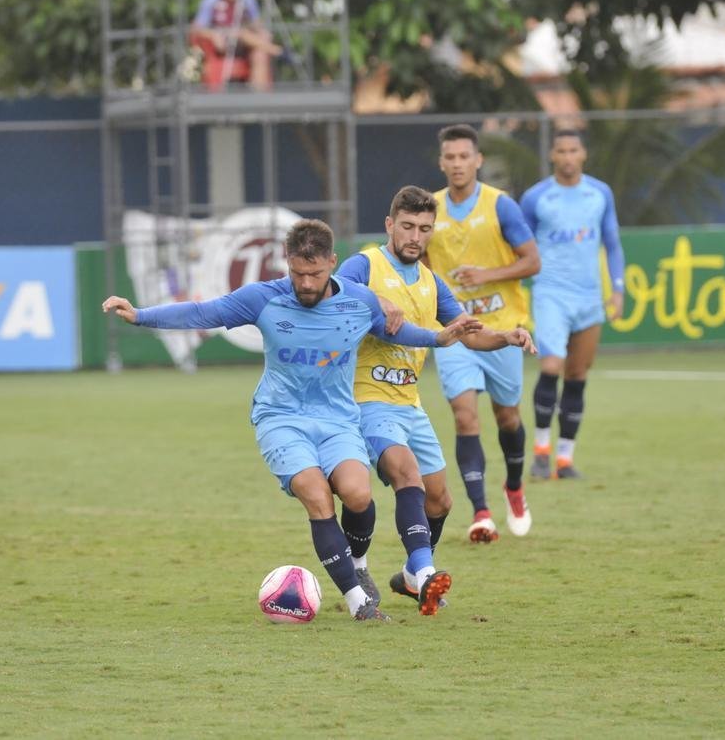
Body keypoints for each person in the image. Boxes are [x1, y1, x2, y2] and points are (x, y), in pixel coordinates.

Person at [102, 219, 482, 622]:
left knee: (358, 495)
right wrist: (140, 315)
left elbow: (394, 332)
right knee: (317, 495)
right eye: (297, 273)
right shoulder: (262, 298)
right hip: (281, 418)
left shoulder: (360, 301)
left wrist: (438, 338)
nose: (305, 283)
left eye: (315, 274)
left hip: (337, 419)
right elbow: (203, 311)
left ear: (332, 263)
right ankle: (358, 601)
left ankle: (356, 565)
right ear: (287, 263)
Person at [336, 186, 537, 612]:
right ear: (391, 225)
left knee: (440, 499)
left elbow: (466, 331)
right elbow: (333, 287)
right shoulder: (366, 264)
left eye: (424, 229)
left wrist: (507, 336)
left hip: (410, 404)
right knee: (407, 475)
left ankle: (410, 576)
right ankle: (425, 573)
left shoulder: (431, 282)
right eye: (407, 226)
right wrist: (378, 297)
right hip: (366, 399)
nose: (415, 236)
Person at [428, 124, 541, 541]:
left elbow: (532, 261)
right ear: (441, 163)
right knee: (464, 415)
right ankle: (481, 512)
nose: (457, 164)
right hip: (456, 331)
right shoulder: (431, 210)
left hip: (502, 330)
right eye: (450, 157)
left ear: (477, 161)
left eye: (464, 157)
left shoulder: (501, 206)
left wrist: (486, 275)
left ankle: (514, 487)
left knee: (507, 415)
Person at [519, 130, 625, 481]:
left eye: (573, 150)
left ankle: (565, 459)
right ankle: (540, 452)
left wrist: (618, 288)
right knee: (551, 366)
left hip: (589, 296)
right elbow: (520, 246)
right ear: (552, 155)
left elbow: (612, 242)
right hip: (550, 293)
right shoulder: (536, 197)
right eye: (561, 150)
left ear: (583, 154)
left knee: (577, 375)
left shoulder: (599, 193)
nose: (567, 156)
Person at [189, 0, 281, 90]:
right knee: (240, 33)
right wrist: (213, 35)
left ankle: (260, 98)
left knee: (259, 54)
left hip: (245, 45)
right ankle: (277, 51)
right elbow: (197, 28)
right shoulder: (211, 0)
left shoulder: (247, 0)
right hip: (222, 42)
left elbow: (256, 24)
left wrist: (263, 33)